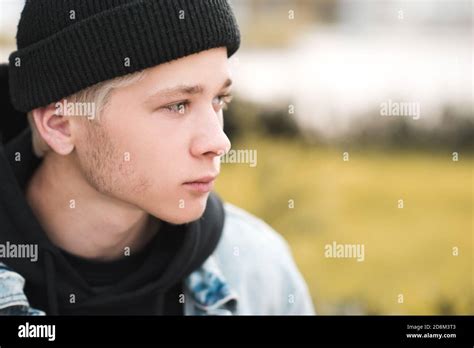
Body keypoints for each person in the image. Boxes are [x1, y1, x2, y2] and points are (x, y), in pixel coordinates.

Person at [0, 0, 314, 315]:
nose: (219, 142)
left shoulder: (259, 272)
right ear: (60, 124)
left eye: (219, 99)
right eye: (177, 105)